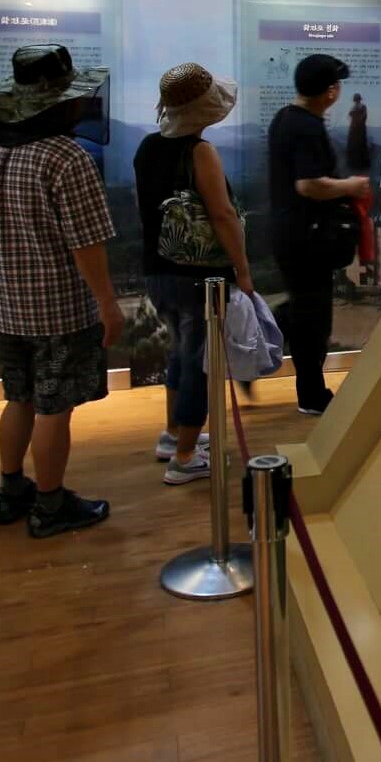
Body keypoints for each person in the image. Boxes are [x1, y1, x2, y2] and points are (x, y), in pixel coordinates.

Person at [0, 44, 122, 539]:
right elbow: (87, 243)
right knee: (54, 408)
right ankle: (51, 506)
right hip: (59, 309)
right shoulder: (66, 157)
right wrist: (108, 304)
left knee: (18, 398)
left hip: (7, 305)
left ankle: (10, 490)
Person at [134, 63, 252, 485]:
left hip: (158, 270)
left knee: (180, 354)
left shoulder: (147, 146)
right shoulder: (199, 152)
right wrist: (243, 269)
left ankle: (173, 435)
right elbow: (222, 215)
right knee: (200, 363)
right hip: (199, 276)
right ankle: (185, 457)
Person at [267, 53, 370, 415]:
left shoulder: (285, 118)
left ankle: (265, 337)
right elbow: (309, 185)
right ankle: (312, 396)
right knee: (313, 320)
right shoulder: (307, 126)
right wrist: (351, 186)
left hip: (290, 232)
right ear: (330, 91)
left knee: (303, 309)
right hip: (306, 238)